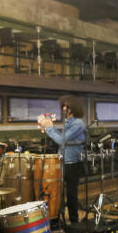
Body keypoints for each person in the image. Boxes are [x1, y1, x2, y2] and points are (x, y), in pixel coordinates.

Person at [38, 95, 87, 224]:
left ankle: (74, 222)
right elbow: (61, 136)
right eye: (63, 106)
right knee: (57, 192)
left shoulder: (78, 123)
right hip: (63, 161)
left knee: (71, 194)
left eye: (67, 106)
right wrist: (49, 127)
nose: (64, 108)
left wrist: (48, 127)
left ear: (74, 107)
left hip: (72, 163)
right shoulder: (68, 122)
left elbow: (61, 140)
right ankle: (57, 220)